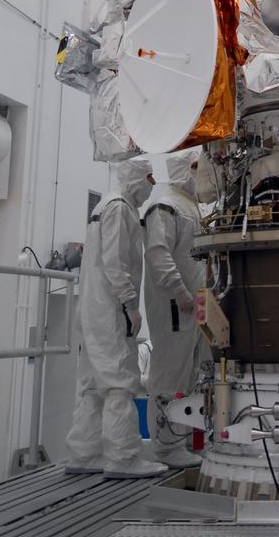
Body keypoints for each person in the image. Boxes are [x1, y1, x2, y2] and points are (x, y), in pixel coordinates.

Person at [65, 157, 167, 479]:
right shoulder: (120, 207)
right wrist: (130, 304)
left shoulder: (104, 207)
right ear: (137, 178)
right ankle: (123, 458)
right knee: (119, 382)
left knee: (93, 384)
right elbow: (114, 262)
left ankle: (84, 453)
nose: (150, 187)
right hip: (110, 309)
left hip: (92, 307)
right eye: (149, 179)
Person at [143, 149, 210, 467]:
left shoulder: (189, 206)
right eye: (198, 168)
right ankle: (167, 447)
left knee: (192, 374)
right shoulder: (164, 206)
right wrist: (181, 294)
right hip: (176, 307)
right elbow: (159, 256)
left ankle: (184, 439)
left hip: (192, 308)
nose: (202, 174)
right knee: (171, 374)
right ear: (187, 168)